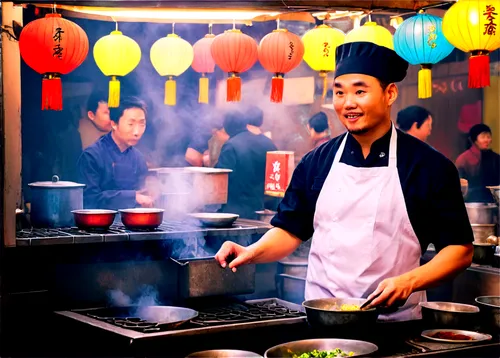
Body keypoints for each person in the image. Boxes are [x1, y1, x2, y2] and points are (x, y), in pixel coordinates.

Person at [215, 41, 473, 322]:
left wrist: (410, 281)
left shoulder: (429, 166)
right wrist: (250, 252)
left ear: (390, 93)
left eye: (360, 91)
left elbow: (459, 250)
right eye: (339, 92)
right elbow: (290, 230)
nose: (348, 103)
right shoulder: (317, 161)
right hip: (322, 319)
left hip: (394, 323)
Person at [78, 97, 154, 210]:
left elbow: (142, 194)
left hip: (132, 223)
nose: (137, 132)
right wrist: (132, 197)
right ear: (114, 124)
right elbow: (90, 200)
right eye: (130, 124)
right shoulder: (92, 156)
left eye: (142, 124)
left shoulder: (138, 158)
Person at [215, 110, 278, 219]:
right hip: (262, 211)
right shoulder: (268, 143)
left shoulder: (231, 145)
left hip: (234, 212)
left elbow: (220, 180)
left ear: (226, 126)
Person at [456, 124, 500, 202]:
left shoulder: (496, 158)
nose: (487, 140)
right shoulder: (464, 159)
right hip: (471, 202)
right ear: (474, 139)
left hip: (493, 202)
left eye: (488, 137)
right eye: (483, 137)